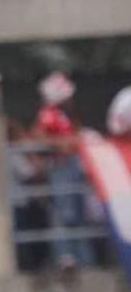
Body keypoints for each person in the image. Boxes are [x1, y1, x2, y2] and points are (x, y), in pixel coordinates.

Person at [33, 71, 95, 269]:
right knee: (63, 213)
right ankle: (65, 256)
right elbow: (39, 136)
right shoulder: (47, 113)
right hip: (61, 167)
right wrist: (62, 146)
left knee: (77, 214)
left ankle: (83, 259)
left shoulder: (63, 114)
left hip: (71, 166)